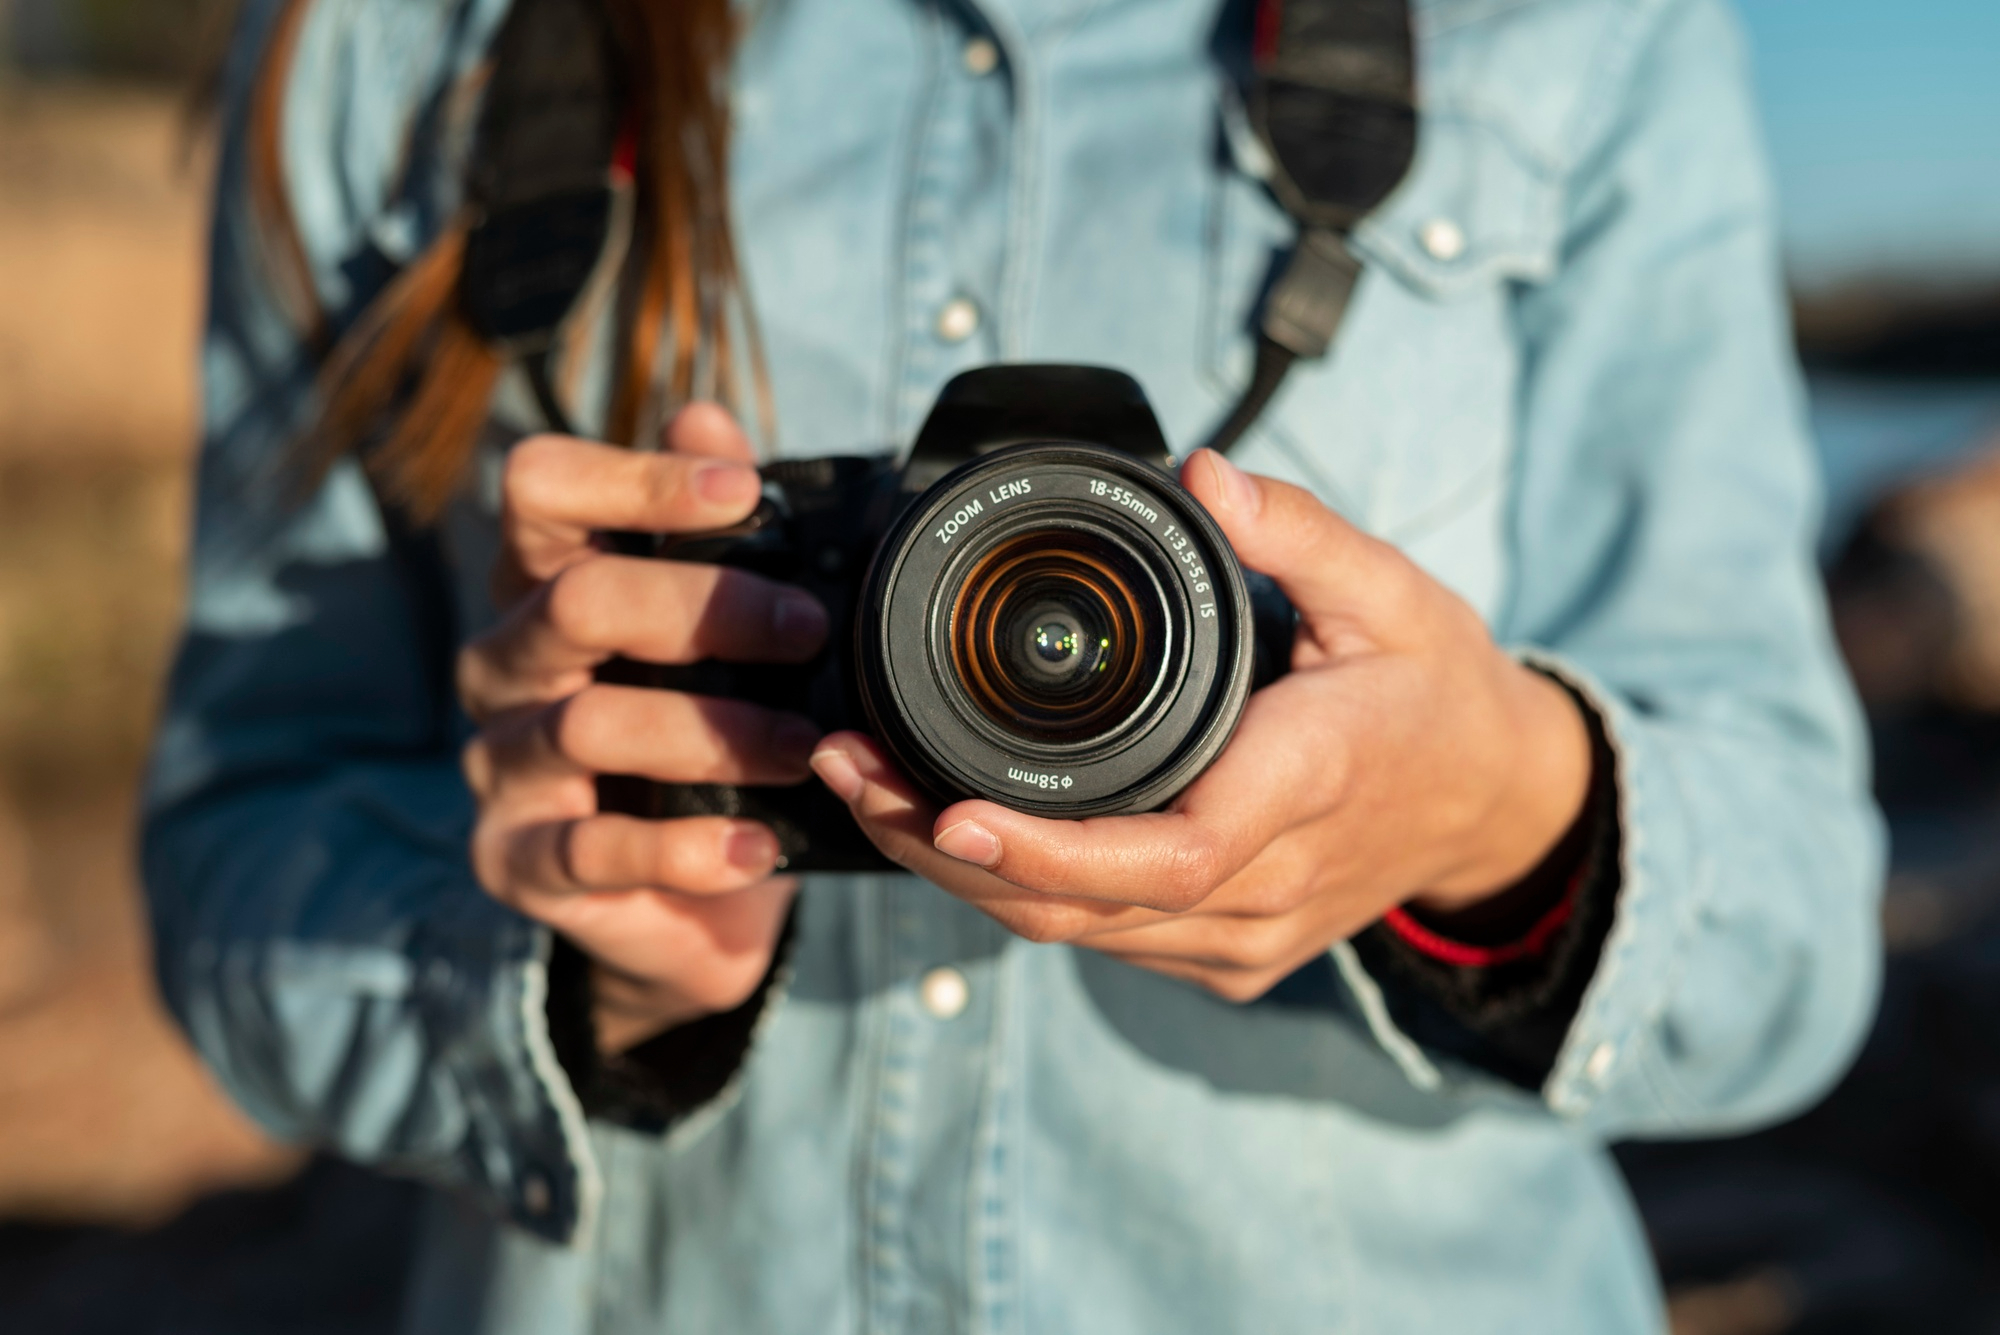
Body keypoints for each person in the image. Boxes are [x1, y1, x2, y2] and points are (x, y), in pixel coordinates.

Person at [145, 0, 1885, 1330]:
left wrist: (1485, 811)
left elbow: (1794, 933)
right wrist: (575, 971)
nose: (1030, 651)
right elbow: (236, 838)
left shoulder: (1574, 30)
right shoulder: (403, 44)